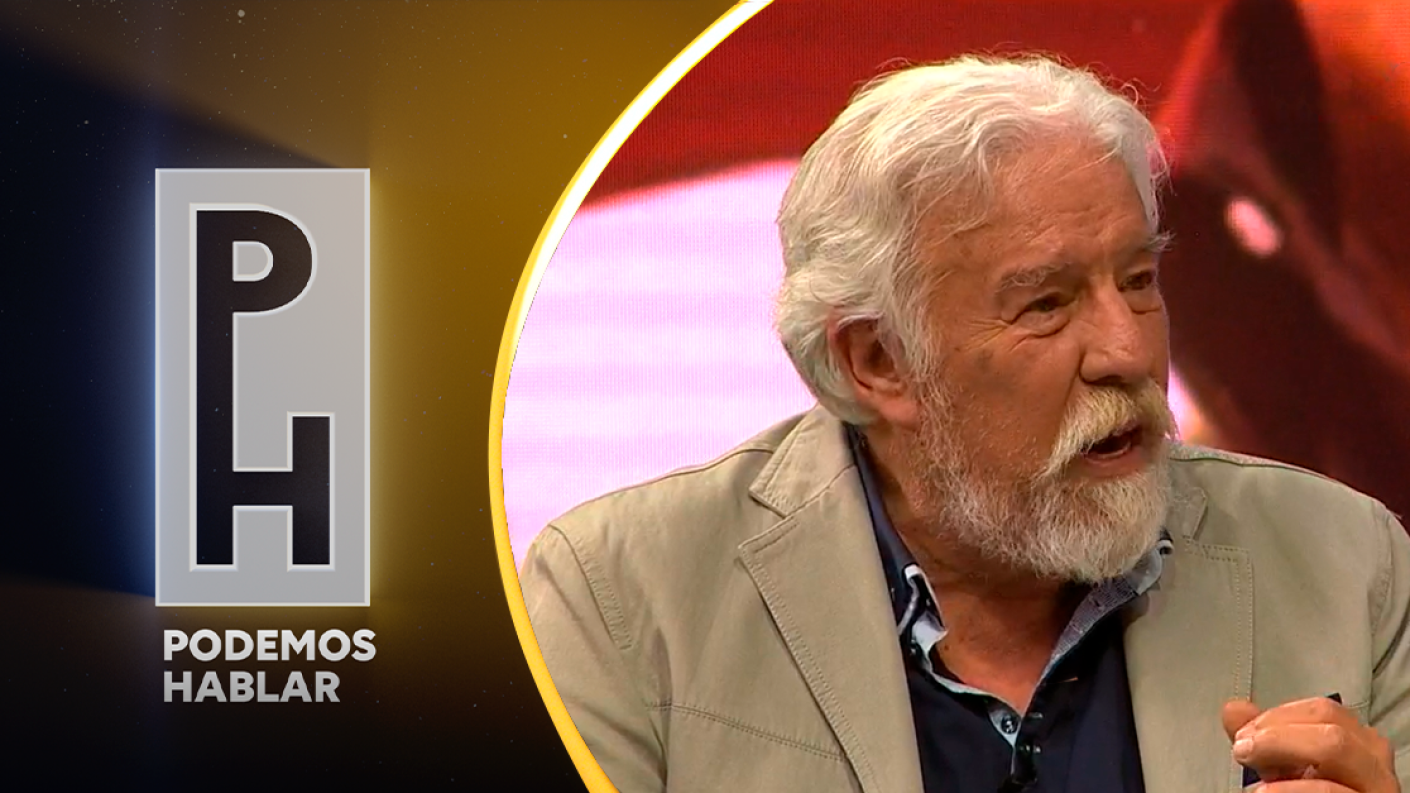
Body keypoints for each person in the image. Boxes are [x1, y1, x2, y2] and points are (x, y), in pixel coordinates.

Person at [518, 54, 1410, 793]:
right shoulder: (626, 598)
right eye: (1047, 304)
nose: (1128, 350)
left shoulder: (1348, 562)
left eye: (1139, 281)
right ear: (878, 361)